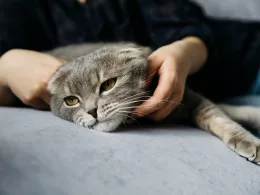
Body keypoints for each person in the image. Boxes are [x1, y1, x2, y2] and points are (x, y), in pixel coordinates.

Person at [0, 0, 259, 121]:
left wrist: (183, 53)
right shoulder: (18, 9)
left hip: (246, 56)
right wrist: (5, 67)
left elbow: (193, 33)